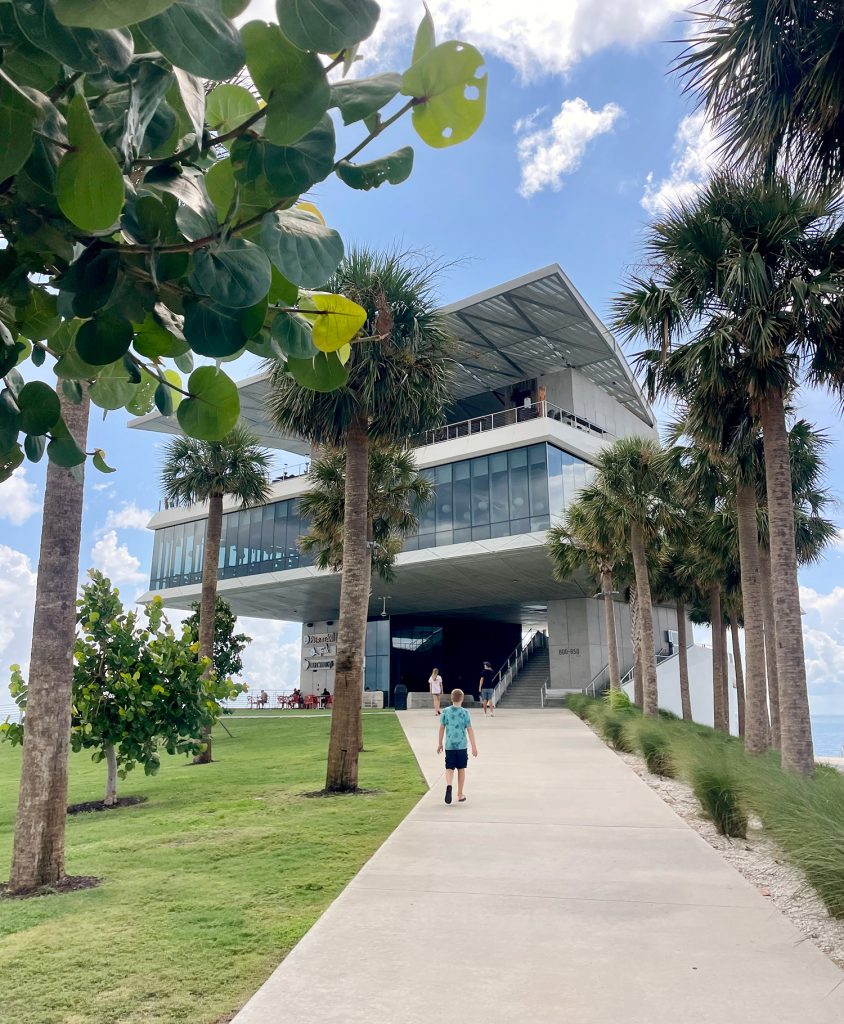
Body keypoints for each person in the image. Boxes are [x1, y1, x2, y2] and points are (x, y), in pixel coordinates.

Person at [437, 689, 478, 804]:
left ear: (451, 698)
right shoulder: (465, 713)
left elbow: (441, 728)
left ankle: (449, 785)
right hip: (461, 746)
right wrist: (474, 746)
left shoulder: (445, 711)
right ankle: (460, 794)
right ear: (462, 699)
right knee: (461, 768)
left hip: (449, 746)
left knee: (449, 768)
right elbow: (469, 729)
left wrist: (440, 743)